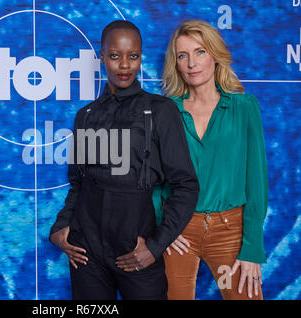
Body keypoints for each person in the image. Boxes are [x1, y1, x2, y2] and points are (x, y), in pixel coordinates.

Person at [49, 20, 199, 300]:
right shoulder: (86, 116)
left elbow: (187, 185)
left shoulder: (160, 110)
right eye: (115, 56)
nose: (125, 65)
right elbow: (79, 185)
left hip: (135, 248)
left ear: (141, 56)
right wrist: (60, 227)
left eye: (133, 56)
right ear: (102, 56)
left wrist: (155, 246)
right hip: (87, 253)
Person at [154, 19, 268, 300]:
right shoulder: (166, 112)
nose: (192, 63)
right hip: (179, 230)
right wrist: (162, 225)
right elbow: (153, 178)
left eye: (200, 51)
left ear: (215, 55)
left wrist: (252, 248)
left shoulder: (244, 108)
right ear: (176, 64)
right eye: (183, 55)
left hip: (231, 230)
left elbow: (257, 182)